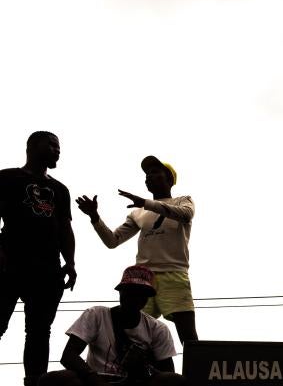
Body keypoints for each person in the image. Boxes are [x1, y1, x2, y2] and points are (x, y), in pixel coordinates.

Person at [75, 156, 197, 343]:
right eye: (146, 174)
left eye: (155, 172)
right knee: (134, 334)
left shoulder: (182, 201)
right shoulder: (138, 212)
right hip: (142, 278)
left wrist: (146, 202)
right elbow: (112, 241)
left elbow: (186, 215)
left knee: (187, 335)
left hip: (174, 273)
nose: (148, 177)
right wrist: (94, 217)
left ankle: (194, 372)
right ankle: (141, 372)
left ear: (169, 179)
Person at [0, 131, 77, 386]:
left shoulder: (59, 189)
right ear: (33, 146)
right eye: (53, 145)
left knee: (39, 334)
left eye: (59, 146)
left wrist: (71, 263)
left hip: (47, 271)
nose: (58, 150)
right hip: (9, 264)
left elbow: (65, 228)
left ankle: (35, 383)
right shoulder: (7, 178)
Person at [38, 265, 188, 386]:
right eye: (130, 292)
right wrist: (93, 378)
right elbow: (68, 356)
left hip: (137, 381)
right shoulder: (96, 315)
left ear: (146, 299)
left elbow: (168, 373)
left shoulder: (158, 329)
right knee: (50, 380)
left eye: (140, 293)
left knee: (177, 381)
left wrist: (144, 368)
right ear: (120, 293)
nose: (134, 297)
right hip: (95, 379)